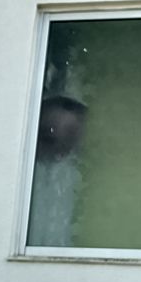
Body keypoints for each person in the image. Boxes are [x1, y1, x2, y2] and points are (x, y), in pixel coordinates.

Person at [26, 95, 87, 247]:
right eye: (70, 134)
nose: (71, 146)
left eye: (73, 135)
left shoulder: (70, 178)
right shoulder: (26, 179)